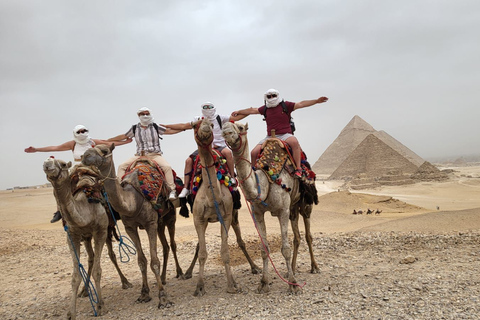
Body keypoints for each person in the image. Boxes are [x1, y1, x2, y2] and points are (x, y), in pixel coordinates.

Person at [25, 124, 133, 222]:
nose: (81, 133)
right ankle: (59, 211)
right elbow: (55, 148)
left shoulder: (93, 142)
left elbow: (107, 143)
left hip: (92, 168)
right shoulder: (73, 144)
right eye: (79, 132)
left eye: (83, 131)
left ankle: (114, 209)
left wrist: (125, 142)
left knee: (110, 183)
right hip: (77, 167)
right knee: (61, 186)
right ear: (75, 133)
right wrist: (36, 149)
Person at [231, 88, 328, 177]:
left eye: (274, 95)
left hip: (285, 135)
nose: (272, 98)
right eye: (269, 96)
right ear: (266, 98)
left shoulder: (285, 105)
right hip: (269, 136)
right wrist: (239, 111)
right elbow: (252, 110)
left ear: (277, 96)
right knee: (253, 152)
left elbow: (301, 104)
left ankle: (298, 168)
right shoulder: (265, 109)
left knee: (294, 142)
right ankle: (254, 172)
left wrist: (316, 101)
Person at [164, 102, 244, 198]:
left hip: (219, 147)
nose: (207, 109)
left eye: (209, 107)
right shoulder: (198, 120)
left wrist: (249, 112)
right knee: (188, 161)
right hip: (203, 148)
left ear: (214, 108)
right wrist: (166, 126)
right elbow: (183, 126)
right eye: (205, 107)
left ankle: (232, 177)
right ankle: (186, 188)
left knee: (228, 153)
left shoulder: (220, 118)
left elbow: (236, 118)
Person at [108, 107, 183, 200]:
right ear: (139, 116)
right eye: (142, 114)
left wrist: (183, 129)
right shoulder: (134, 128)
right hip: (139, 155)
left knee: (167, 167)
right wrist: (109, 140)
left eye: (147, 113)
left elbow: (169, 131)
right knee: (121, 166)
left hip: (154, 155)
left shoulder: (155, 127)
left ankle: (172, 190)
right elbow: (124, 136)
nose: (145, 116)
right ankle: (119, 188)